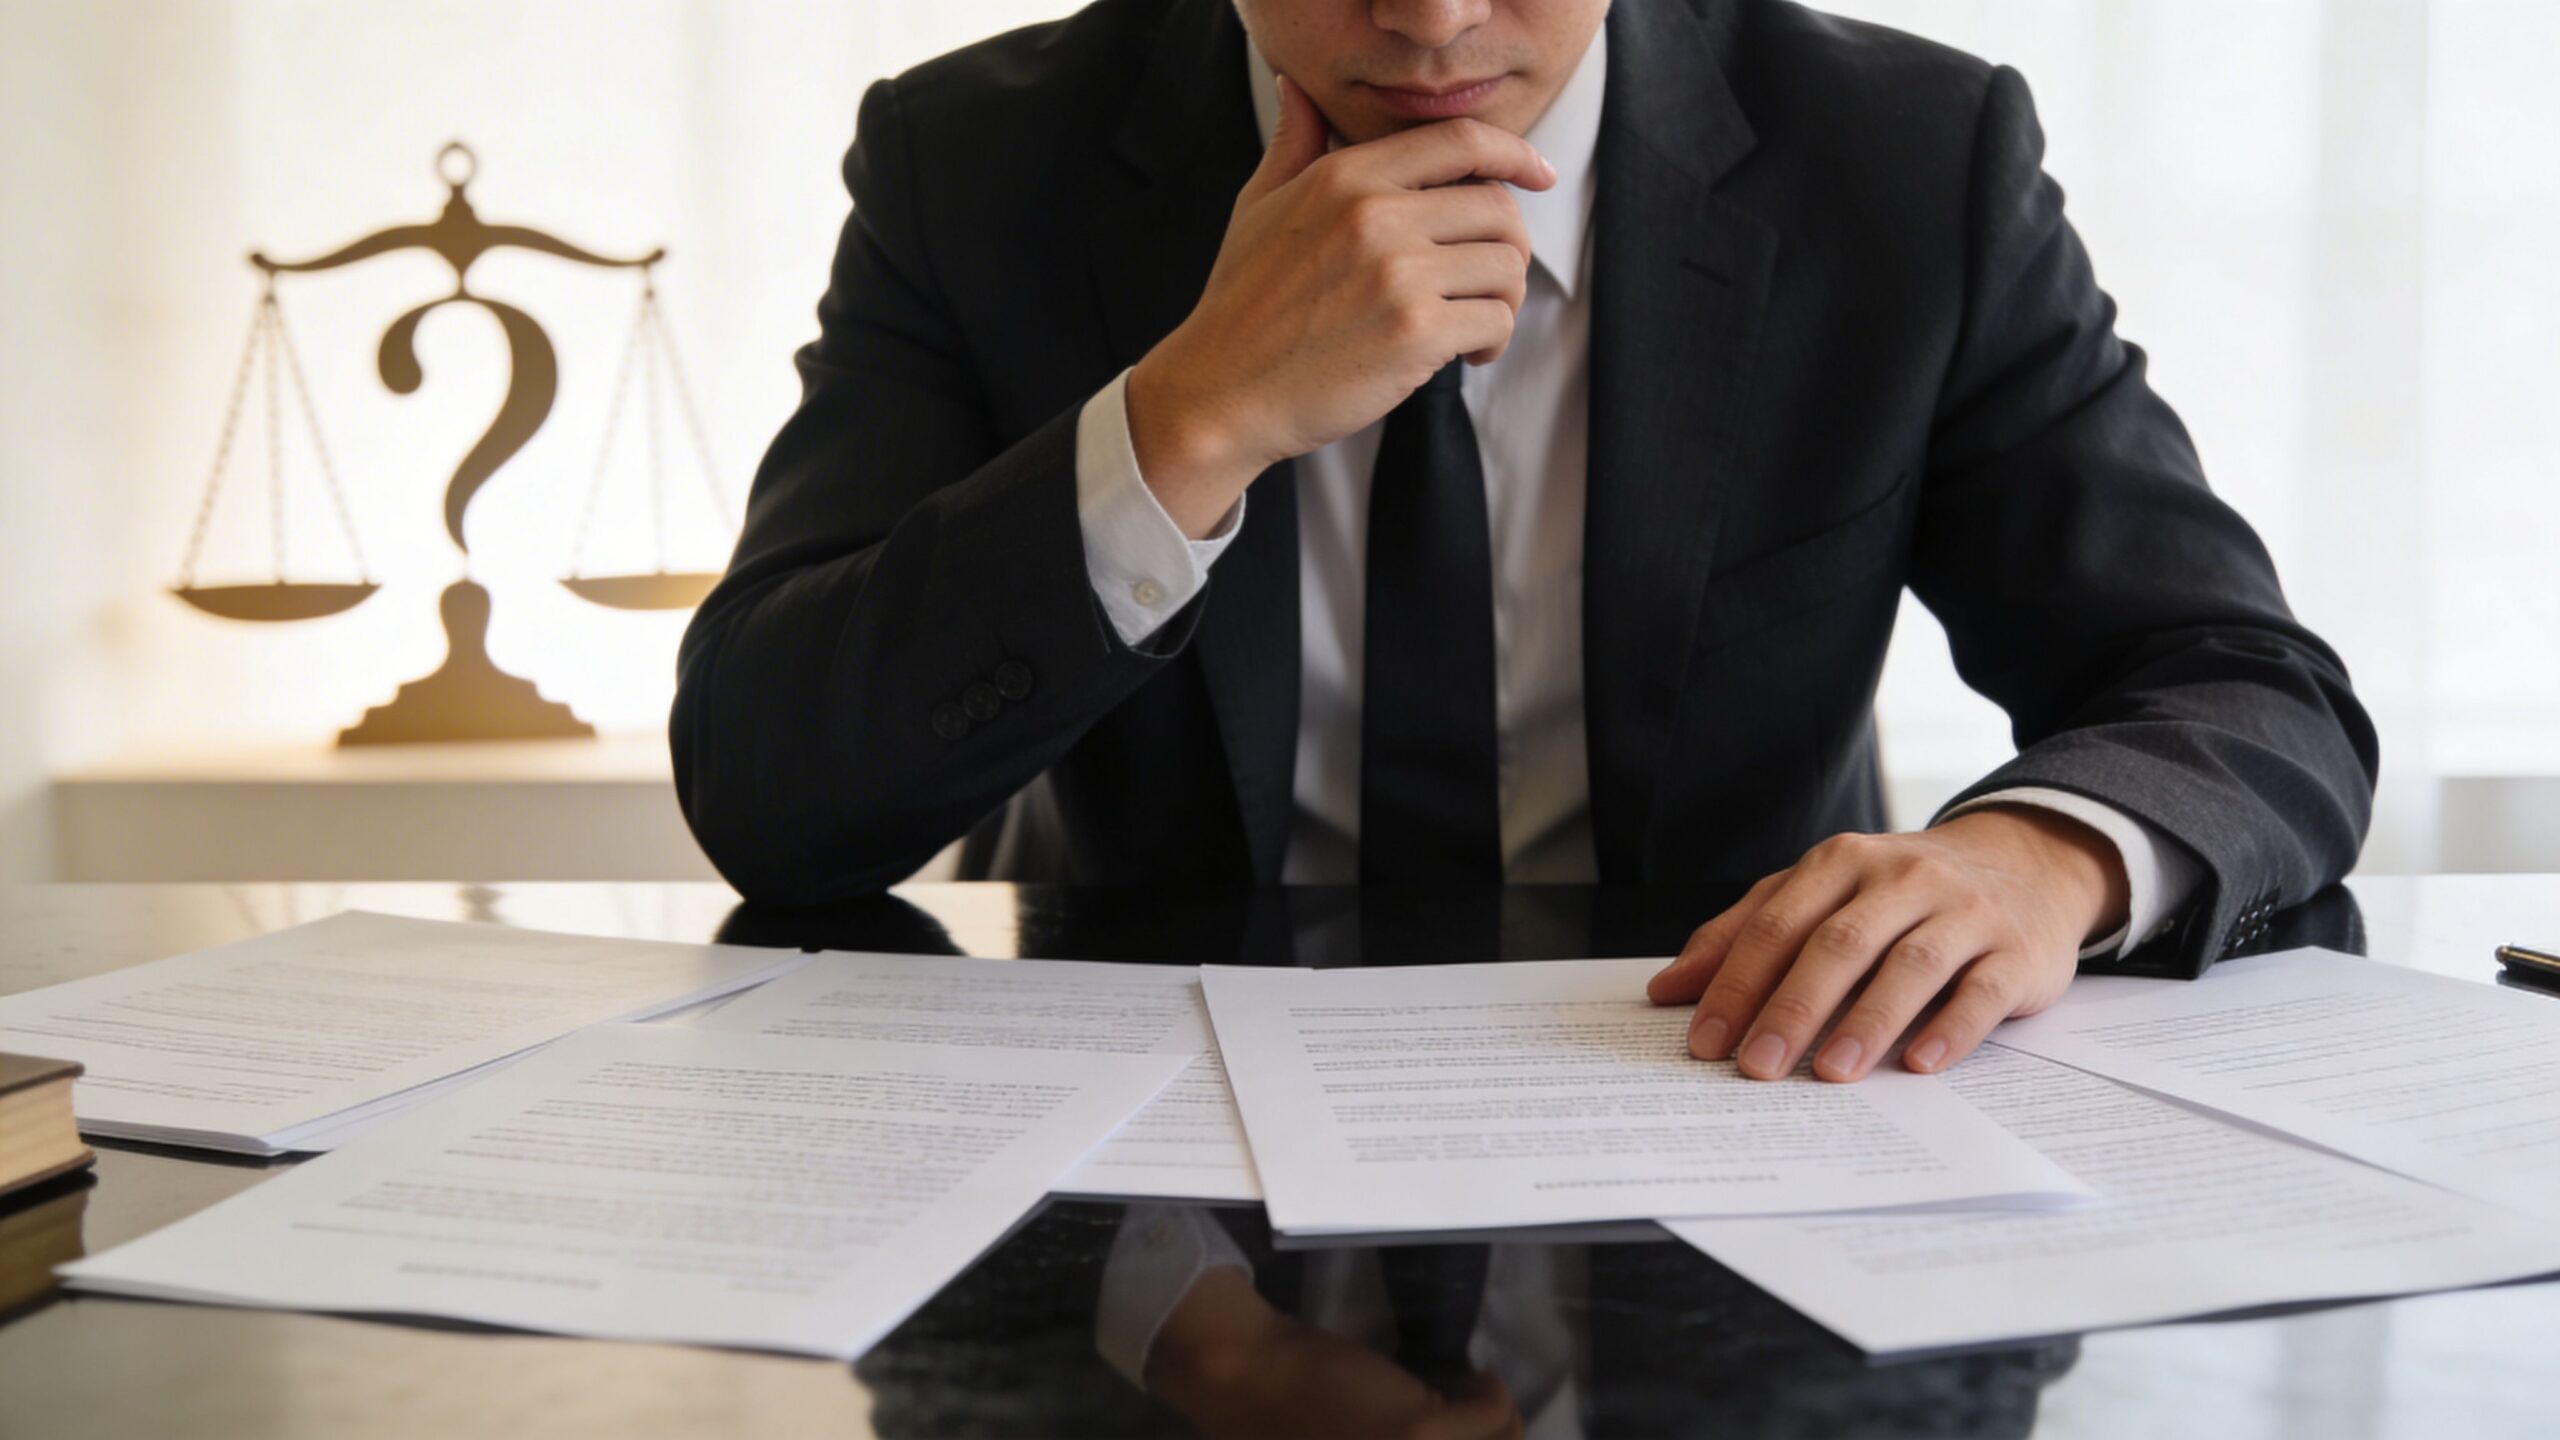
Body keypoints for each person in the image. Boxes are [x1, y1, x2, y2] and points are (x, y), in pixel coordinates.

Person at [669, 0, 2377, 1088]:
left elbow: (2246, 692)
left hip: (1745, 1097)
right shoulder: (972, 159)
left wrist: (2036, 864)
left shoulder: (1910, 162)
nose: (1429, 19)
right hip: (1141, 1151)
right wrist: (1186, 420)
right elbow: (772, 792)